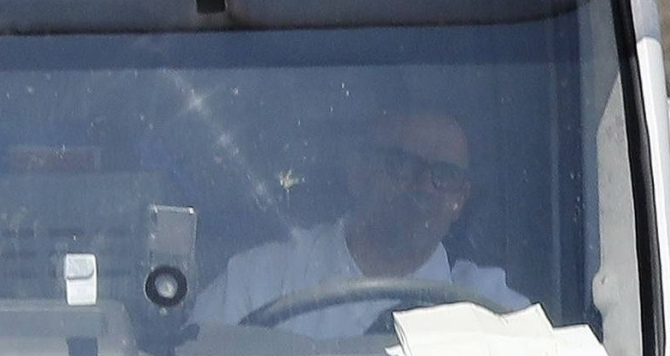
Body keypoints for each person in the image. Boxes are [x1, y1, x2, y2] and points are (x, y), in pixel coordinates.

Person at [206, 108, 521, 341]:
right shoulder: (254, 284)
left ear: (461, 200)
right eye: (405, 165)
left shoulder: (494, 312)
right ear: (357, 171)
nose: (425, 187)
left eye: (446, 176)